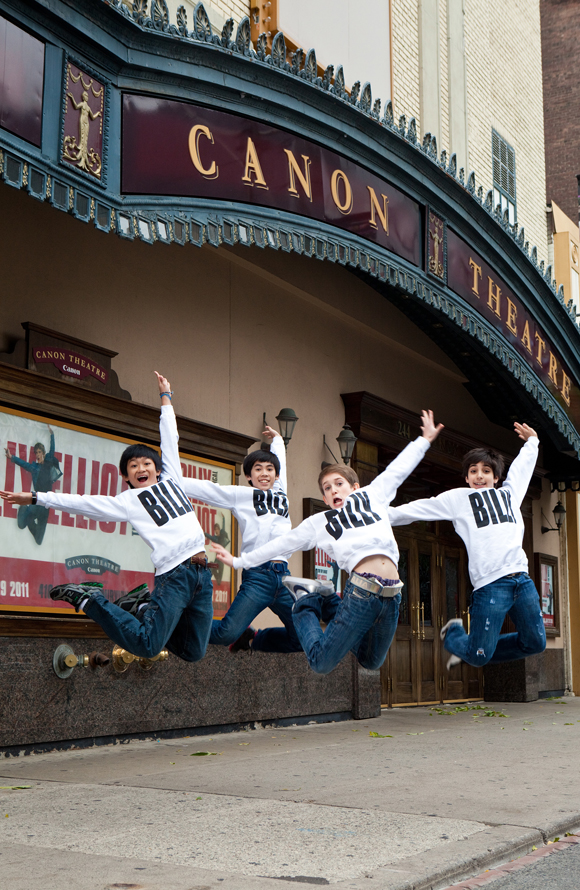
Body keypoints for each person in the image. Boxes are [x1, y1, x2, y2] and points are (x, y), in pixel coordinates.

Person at [0, 373, 213, 661]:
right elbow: (82, 503)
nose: (141, 468)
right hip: (174, 575)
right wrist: (37, 497)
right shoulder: (128, 502)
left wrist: (166, 398)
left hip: (202, 572)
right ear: (126, 476)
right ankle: (89, 598)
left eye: (146, 463)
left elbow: (170, 438)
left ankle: (140, 607)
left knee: (193, 650)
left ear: (157, 468)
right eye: (133, 466)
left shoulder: (172, 478)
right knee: (148, 645)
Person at [213, 410, 442, 674]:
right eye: (327, 488)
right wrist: (241, 561)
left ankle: (327, 600)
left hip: (392, 596)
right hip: (361, 592)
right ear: (324, 499)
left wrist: (424, 440)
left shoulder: (373, 497)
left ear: (354, 487)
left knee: (370, 661)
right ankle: (305, 600)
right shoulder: (320, 522)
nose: (333, 490)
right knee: (320, 662)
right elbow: (281, 544)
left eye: (338, 484)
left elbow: (397, 470)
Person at [389, 422, 545, 670]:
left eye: (486, 471)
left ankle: (473, 650)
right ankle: (455, 634)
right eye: (473, 471)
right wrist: (376, 517)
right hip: (491, 586)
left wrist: (532, 442)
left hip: (522, 581)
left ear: (496, 477)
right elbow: (418, 509)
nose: (479, 476)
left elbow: (522, 468)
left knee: (535, 643)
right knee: (479, 656)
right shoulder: (458, 499)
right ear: (466, 477)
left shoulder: (510, 494)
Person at [179, 420, 302, 654]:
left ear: (276, 475)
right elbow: (208, 489)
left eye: (269, 469)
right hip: (258, 577)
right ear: (248, 476)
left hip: (283, 578)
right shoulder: (241, 495)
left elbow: (281, 465)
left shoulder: (280, 492)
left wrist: (278, 441)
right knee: (225, 634)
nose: (264, 474)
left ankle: (253, 639)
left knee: (304, 638)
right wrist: (169, 481)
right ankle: (173, 624)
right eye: (258, 469)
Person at [5, 426, 62, 545]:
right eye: (36, 453)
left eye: (40, 452)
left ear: (44, 453)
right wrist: (12, 457)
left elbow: (52, 449)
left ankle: (29, 518)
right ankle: (23, 508)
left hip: (46, 503)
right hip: (37, 499)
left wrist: (52, 434)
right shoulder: (34, 468)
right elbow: (24, 464)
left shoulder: (48, 463)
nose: (38, 455)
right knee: (21, 524)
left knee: (39, 540)